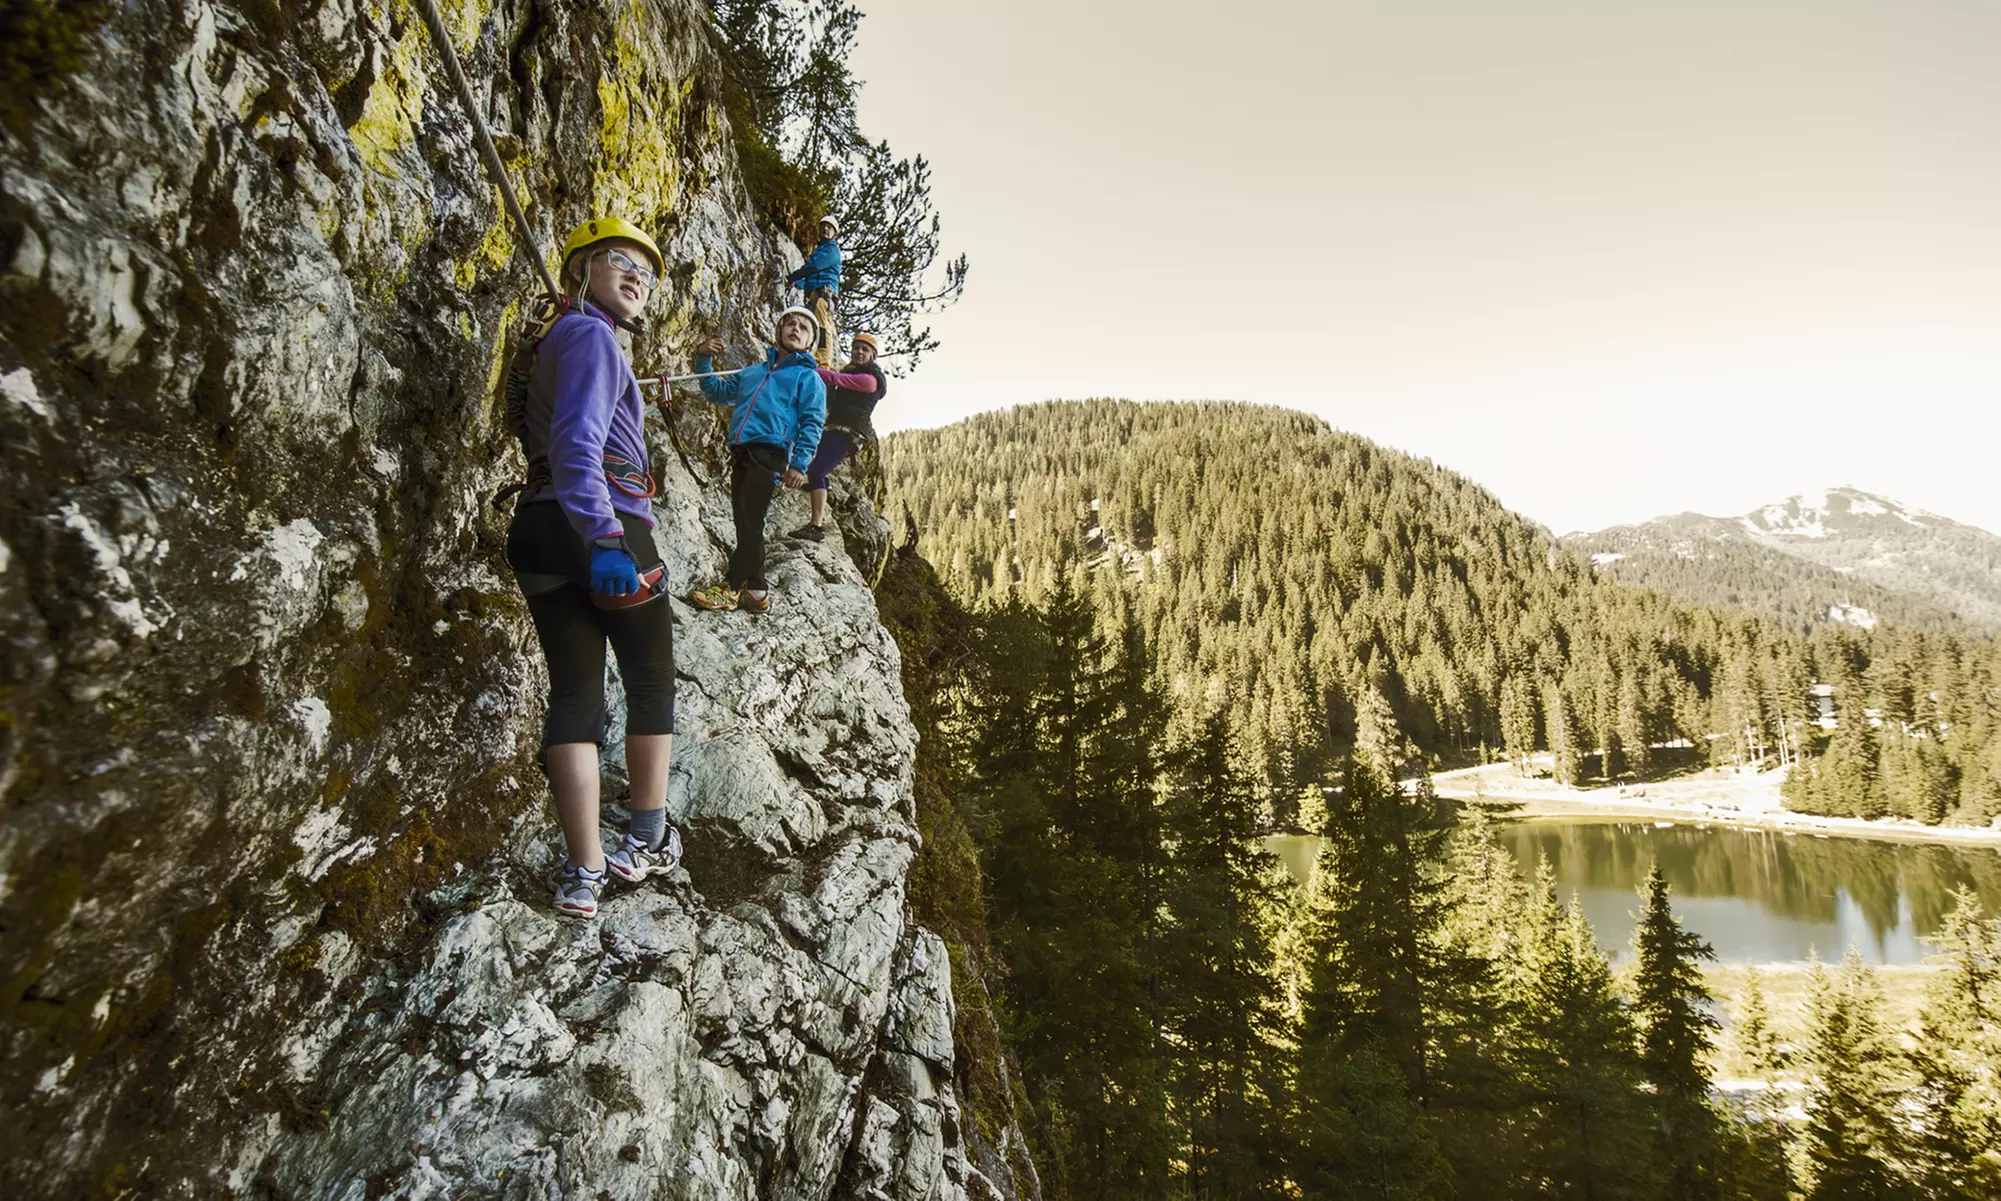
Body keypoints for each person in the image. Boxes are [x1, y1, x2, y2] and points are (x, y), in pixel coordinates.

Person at [506, 216, 684, 919]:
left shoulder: (557, 339)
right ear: (579, 267)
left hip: (540, 532)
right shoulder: (590, 336)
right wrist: (607, 536)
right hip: (599, 523)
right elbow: (578, 442)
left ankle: (583, 872)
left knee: (576, 696)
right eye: (620, 260)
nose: (637, 274)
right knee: (649, 680)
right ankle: (648, 836)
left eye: (646, 268)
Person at [686, 307, 826, 613]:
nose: (795, 328)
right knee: (745, 520)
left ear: (809, 342)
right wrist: (703, 358)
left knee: (750, 521)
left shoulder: (808, 377)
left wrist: (799, 464)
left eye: (803, 327)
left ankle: (734, 588)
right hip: (742, 452)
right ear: (778, 332)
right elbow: (716, 392)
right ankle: (758, 592)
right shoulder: (753, 372)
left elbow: (812, 423)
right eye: (789, 323)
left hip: (771, 453)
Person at [790, 332, 887, 542]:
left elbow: (835, 379)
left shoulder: (870, 380)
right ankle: (822, 483)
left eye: (865, 349)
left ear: (872, 355)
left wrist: (806, 369)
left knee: (815, 470)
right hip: (835, 430)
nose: (859, 352)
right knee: (813, 463)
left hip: (848, 434)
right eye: (856, 348)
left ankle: (816, 527)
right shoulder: (855, 374)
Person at [786, 215, 842, 367]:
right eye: (823, 225)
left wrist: (794, 276)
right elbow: (812, 274)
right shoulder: (820, 250)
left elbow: (814, 266)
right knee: (816, 326)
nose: (825, 229)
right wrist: (798, 282)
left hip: (824, 294)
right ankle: (815, 358)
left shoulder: (832, 250)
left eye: (829, 227)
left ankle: (823, 362)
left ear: (834, 233)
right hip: (815, 293)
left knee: (823, 327)